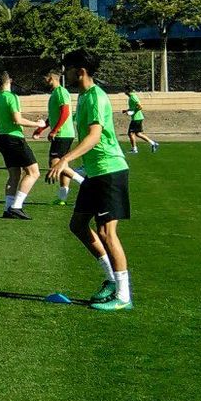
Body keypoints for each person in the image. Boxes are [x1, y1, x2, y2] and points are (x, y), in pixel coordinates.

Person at [48, 51, 132, 311]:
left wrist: (65, 160)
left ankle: (123, 296)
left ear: (81, 71)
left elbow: (95, 136)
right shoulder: (83, 97)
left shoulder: (95, 97)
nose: (66, 74)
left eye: (70, 69)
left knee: (107, 232)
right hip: (96, 171)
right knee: (78, 224)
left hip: (110, 171)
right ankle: (110, 280)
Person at [0, 70, 38, 220]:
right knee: (33, 172)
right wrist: (38, 123)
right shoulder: (11, 97)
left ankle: (7, 209)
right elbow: (18, 119)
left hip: (1, 139)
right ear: (9, 80)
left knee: (14, 175)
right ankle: (16, 207)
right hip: (14, 138)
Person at [34, 68, 86, 205]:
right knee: (63, 164)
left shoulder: (61, 92)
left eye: (45, 78)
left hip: (63, 134)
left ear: (51, 78)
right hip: (63, 133)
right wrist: (41, 129)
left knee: (55, 164)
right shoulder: (55, 94)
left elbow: (65, 112)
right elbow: (53, 116)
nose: (43, 81)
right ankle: (62, 198)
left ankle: (85, 183)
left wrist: (55, 130)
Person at [124, 89, 159, 154]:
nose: (124, 92)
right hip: (137, 118)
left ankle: (134, 149)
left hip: (136, 118)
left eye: (125, 91)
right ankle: (153, 143)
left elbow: (140, 107)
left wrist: (133, 112)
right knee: (138, 133)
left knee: (130, 133)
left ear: (127, 91)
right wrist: (127, 110)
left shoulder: (133, 97)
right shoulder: (132, 97)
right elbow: (134, 107)